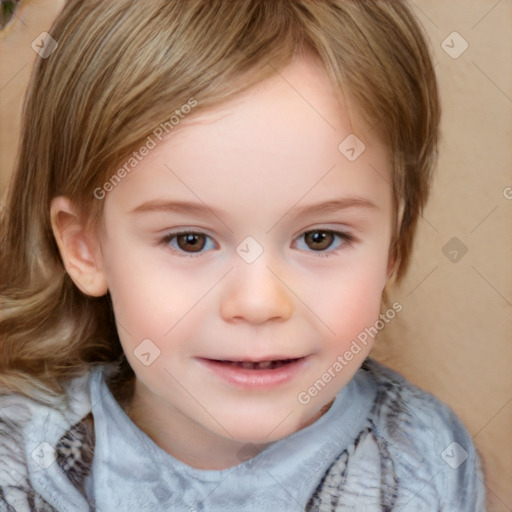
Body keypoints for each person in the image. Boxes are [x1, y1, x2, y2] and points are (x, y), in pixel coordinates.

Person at [0, 1, 486, 510]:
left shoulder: (424, 459)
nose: (259, 303)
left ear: (395, 242)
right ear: (85, 246)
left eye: (320, 238)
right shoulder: (20, 467)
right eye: (190, 240)